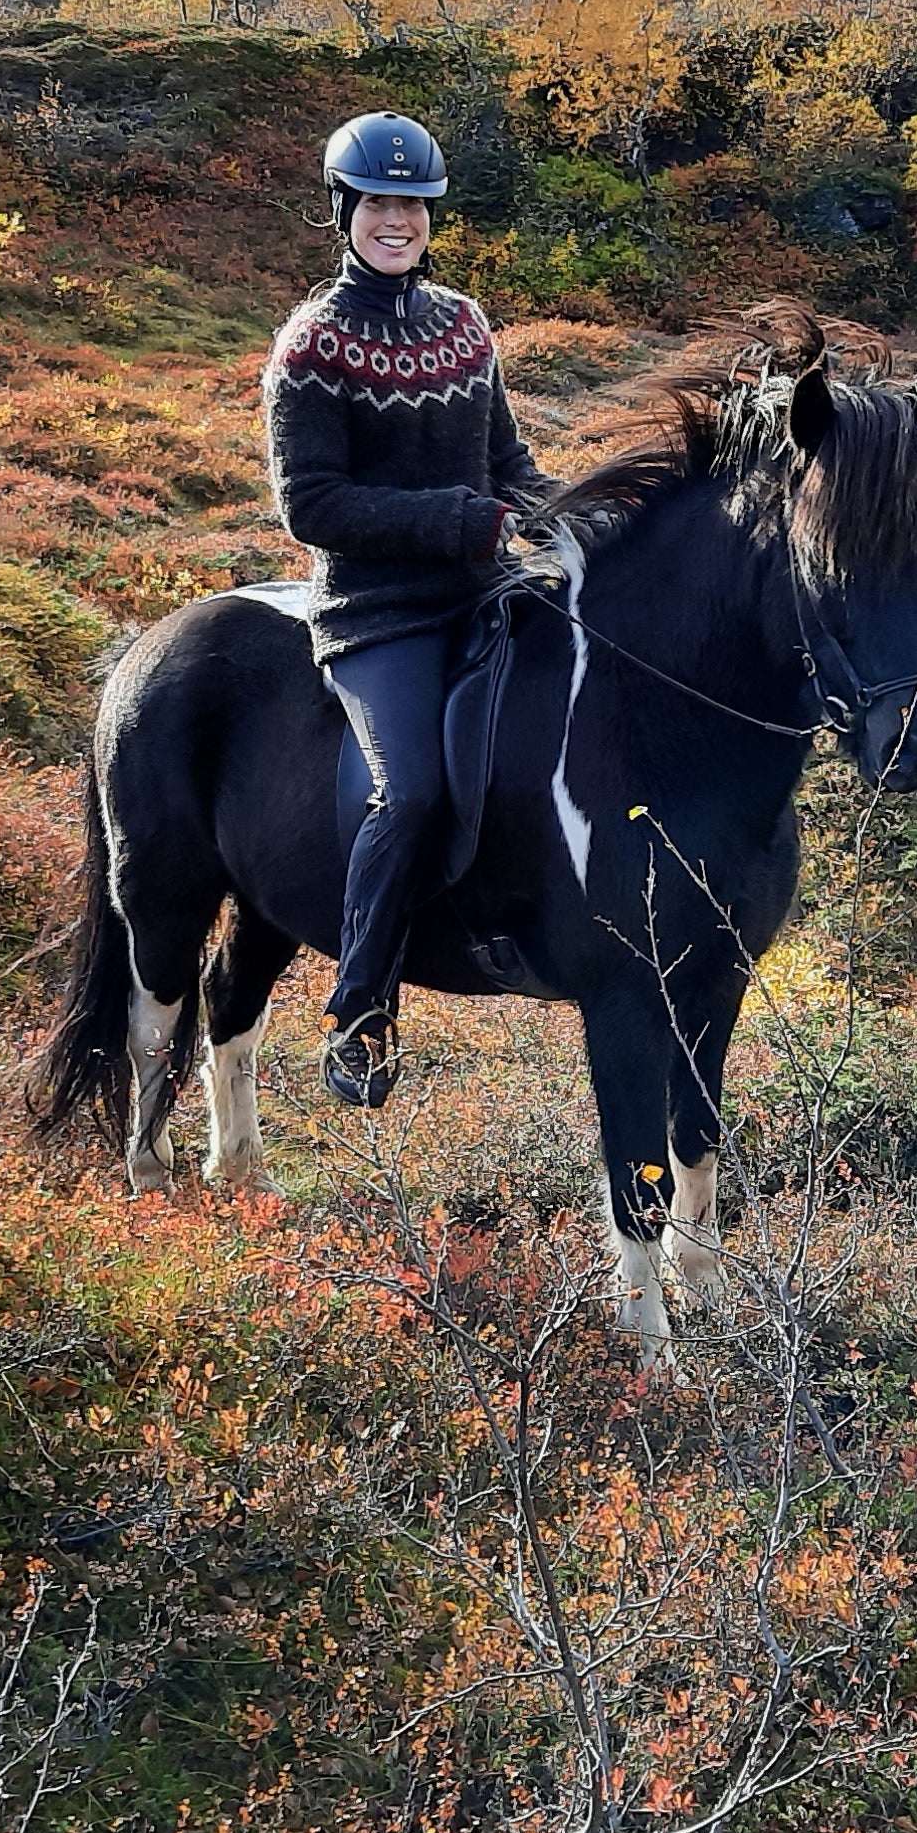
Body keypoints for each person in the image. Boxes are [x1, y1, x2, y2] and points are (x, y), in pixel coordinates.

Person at [262, 112, 548, 1106]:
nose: (397, 222)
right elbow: (311, 504)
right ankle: (360, 1016)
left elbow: (506, 462)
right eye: (379, 204)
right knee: (413, 794)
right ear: (345, 211)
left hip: (484, 594)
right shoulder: (311, 344)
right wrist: (458, 523)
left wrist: (563, 519)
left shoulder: (463, 322)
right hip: (378, 615)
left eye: (412, 206)